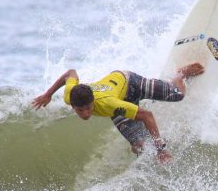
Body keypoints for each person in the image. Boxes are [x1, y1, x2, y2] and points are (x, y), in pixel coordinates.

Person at [31, 63, 204, 163]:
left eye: (89, 108)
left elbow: (146, 116)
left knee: (177, 95)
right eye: (80, 110)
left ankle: (181, 74)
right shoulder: (70, 95)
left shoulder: (108, 104)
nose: (85, 114)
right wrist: (48, 95)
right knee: (140, 147)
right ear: (73, 105)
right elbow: (70, 73)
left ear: (93, 102)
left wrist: (160, 149)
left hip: (130, 82)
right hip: (119, 100)